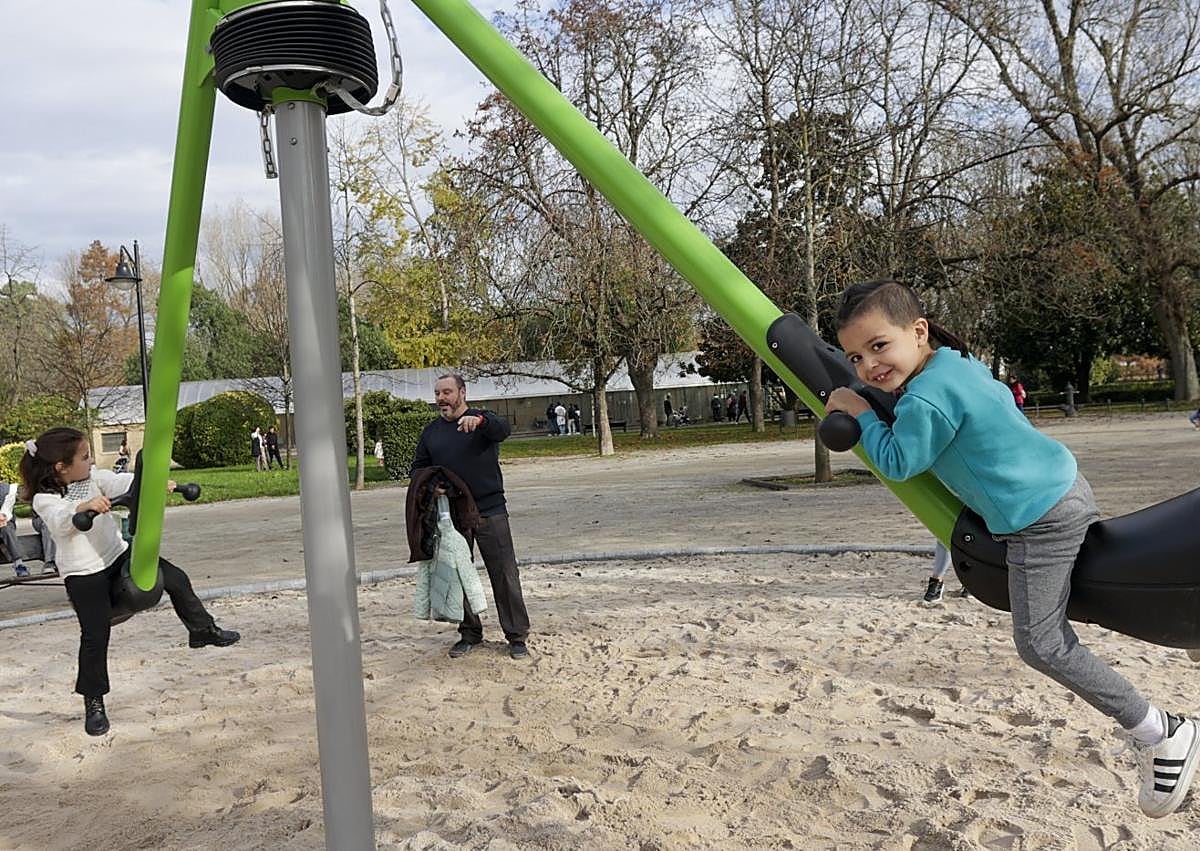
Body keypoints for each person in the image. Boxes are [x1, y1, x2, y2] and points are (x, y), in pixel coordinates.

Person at [825, 278, 1199, 818]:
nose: (868, 367)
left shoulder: (927, 397)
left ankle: (1161, 730)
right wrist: (876, 398)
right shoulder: (953, 363)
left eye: (879, 346)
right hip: (1061, 486)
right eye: (855, 358)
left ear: (918, 330)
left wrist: (857, 412)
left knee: (1040, 641)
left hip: (1037, 522)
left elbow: (899, 462)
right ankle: (1181, 618)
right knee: (1084, 594)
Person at [19, 427, 239, 736]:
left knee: (175, 577)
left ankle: (202, 630)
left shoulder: (94, 478)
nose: (91, 460)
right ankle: (93, 702)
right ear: (61, 467)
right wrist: (83, 507)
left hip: (117, 556)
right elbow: (59, 518)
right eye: (85, 456)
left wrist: (156, 484)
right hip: (84, 574)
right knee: (95, 636)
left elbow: (124, 482)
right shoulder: (46, 498)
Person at [411, 374, 531, 661]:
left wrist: (481, 422)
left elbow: (503, 429)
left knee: (504, 574)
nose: (441, 398)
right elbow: (418, 468)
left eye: (447, 392)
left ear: (462, 392)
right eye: (437, 393)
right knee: (457, 576)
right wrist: (431, 486)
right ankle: (469, 633)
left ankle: (516, 636)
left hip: (490, 510)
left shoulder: (481, 420)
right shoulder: (431, 433)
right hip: (452, 515)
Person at [0, 481, 31, 577]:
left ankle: (19, 563)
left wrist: (2, 517)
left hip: (3, 524)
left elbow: (5, 513)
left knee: (6, 527)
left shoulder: (6, 489)